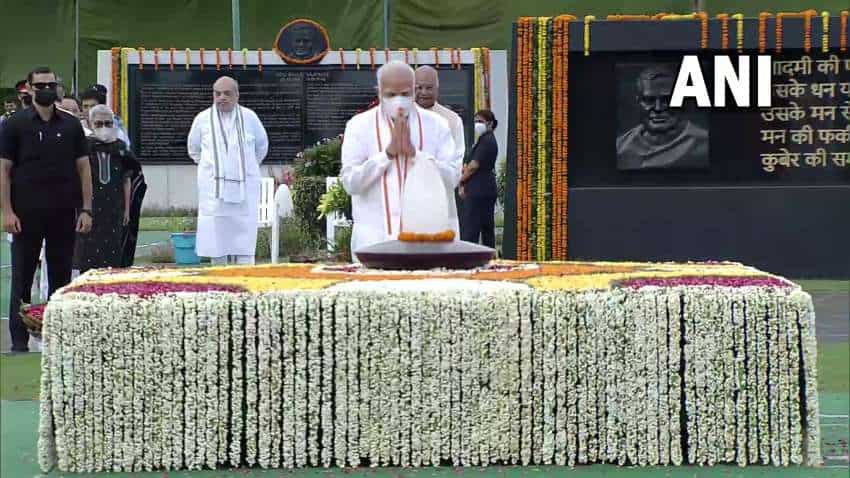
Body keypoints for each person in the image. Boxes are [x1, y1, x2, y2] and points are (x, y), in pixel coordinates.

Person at [0, 66, 93, 352]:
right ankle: (19, 342)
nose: (46, 89)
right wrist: (6, 211)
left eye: (50, 84)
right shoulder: (14, 125)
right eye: (40, 85)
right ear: (28, 88)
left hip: (63, 214)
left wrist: (87, 209)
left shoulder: (70, 125)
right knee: (22, 280)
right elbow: (3, 169)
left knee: (61, 278)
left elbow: (84, 168)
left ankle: (58, 338)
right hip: (25, 216)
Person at [341, 61, 460, 261]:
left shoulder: (437, 125)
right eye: (390, 94)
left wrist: (416, 155)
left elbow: (452, 179)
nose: (399, 101)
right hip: (373, 240)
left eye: (405, 94)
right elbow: (350, 183)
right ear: (378, 92)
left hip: (428, 240)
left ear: (414, 91)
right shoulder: (359, 126)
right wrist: (387, 155)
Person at [187, 76, 269, 265]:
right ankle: (218, 278)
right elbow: (194, 149)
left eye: (227, 93)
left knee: (244, 236)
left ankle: (246, 273)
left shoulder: (250, 117)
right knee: (216, 237)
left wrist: (242, 169)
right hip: (214, 192)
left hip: (244, 190)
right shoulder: (202, 119)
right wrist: (215, 170)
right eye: (217, 94)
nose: (222, 97)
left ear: (237, 95)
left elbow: (261, 147)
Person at [72, 105, 142, 274]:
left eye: (108, 123)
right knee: (87, 252)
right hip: (91, 206)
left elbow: (127, 179)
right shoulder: (84, 146)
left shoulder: (121, 148)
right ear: (90, 123)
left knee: (113, 252)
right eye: (99, 123)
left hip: (114, 207)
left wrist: (127, 210)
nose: (104, 127)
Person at [616, 65, 709, 170]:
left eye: (667, 100)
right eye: (649, 100)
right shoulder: (621, 146)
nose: (658, 108)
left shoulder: (704, 144)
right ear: (639, 102)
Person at [415, 65, 465, 233]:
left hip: (442, 208)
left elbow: (454, 173)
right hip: (407, 209)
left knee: (443, 258)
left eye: (428, 88)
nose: (423, 92)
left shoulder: (452, 121)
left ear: (437, 89)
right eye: (419, 87)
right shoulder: (400, 117)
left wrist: (427, 162)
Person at [458, 110, 499, 247]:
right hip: (483, 189)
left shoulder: (487, 140)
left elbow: (474, 166)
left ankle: (469, 259)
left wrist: (461, 181)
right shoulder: (482, 140)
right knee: (486, 229)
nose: (477, 125)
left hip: (479, 190)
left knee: (471, 230)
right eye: (475, 121)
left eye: (480, 121)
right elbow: (469, 162)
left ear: (490, 123)